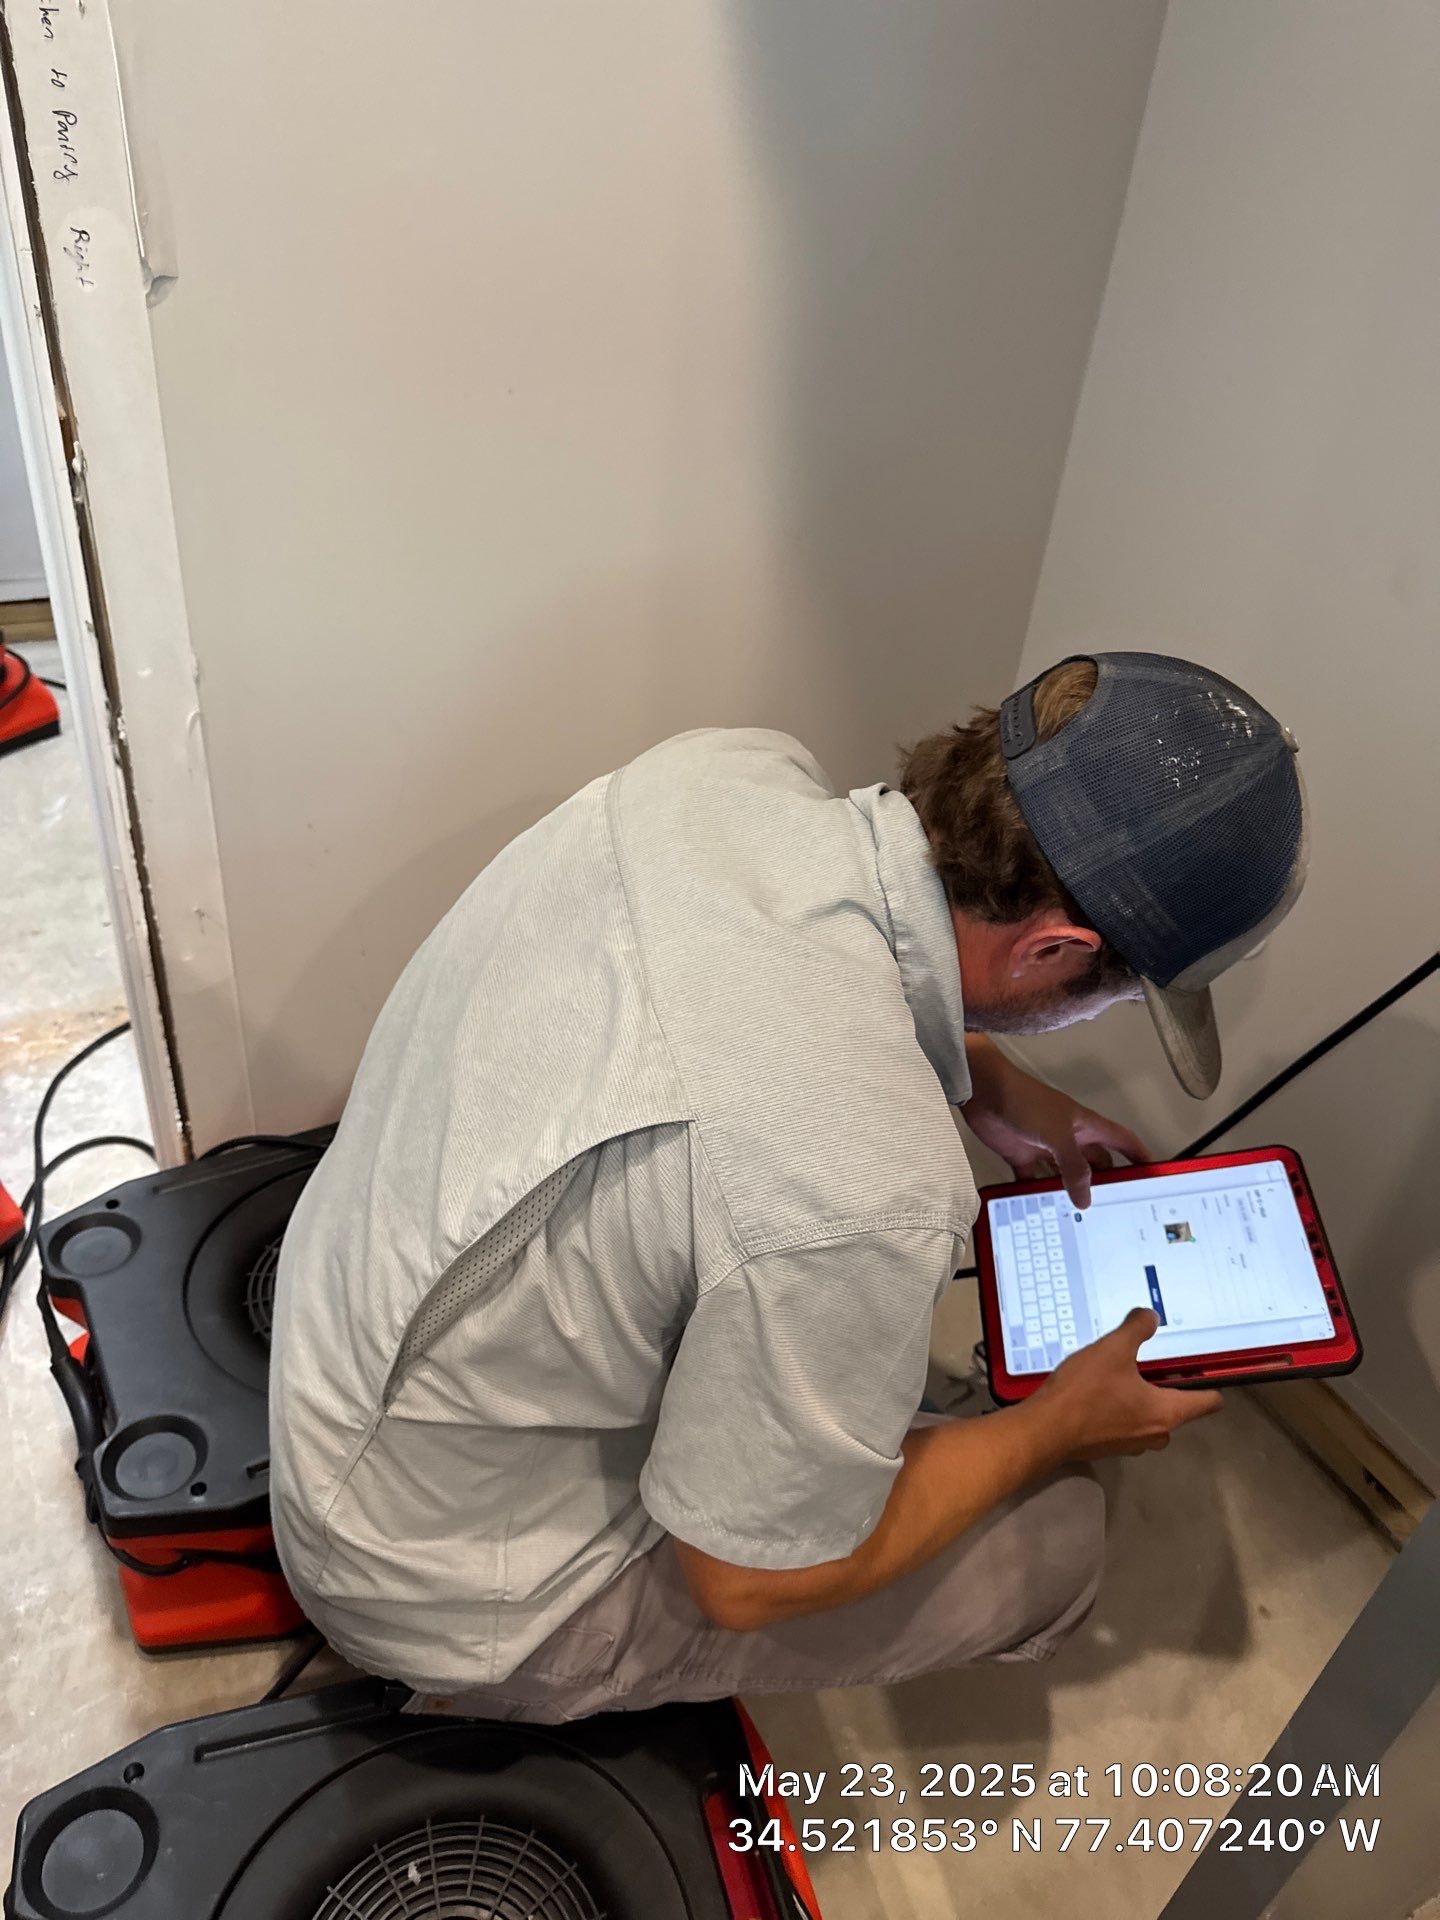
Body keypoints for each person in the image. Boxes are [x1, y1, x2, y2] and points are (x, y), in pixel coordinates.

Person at [269, 651, 1307, 1720]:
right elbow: (746, 1583)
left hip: (343, 1355)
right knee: (1061, 1533)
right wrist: (1054, 1425)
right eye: (1113, 997)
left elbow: (751, 988)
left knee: (800, 1323)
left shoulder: (720, 773)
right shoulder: (872, 1194)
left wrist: (982, 1074)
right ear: (1051, 950)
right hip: (435, 1589)